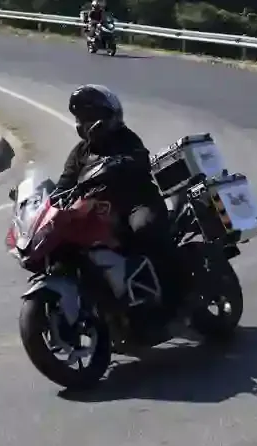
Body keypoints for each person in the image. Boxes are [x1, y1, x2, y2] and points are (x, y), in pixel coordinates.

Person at [56, 84, 181, 307]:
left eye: (89, 117)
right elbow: (65, 182)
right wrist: (50, 200)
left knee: (144, 230)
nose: (83, 123)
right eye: (81, 118)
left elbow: (140, 159)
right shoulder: (80, 152)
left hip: (136, 202)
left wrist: (119, 164)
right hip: (98, 211)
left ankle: (174, 295)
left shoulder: (125, 139)